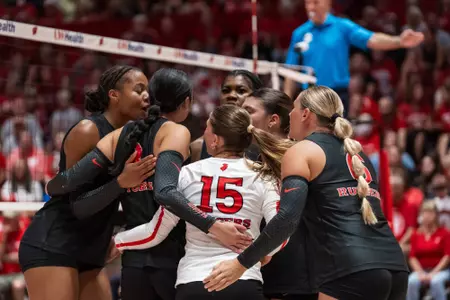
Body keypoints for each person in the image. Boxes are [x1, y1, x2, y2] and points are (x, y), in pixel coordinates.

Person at [44, 68, 254, 300]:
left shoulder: (119, 135)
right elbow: (165, 192)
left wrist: (119, 183)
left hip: (134, 266)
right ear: (186, 103)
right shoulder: (176, 132)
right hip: (170, 262)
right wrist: (214, 226)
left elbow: (58, 187)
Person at [205, 86, 409, 300]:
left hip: (350, 268)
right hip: (394, 265)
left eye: (294, 108)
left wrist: (240, 264)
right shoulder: (358, 153)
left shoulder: (302, 150)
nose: (290, 114)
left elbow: (286, 219)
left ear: (305, 114)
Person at [113, 104, 294, 300]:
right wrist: (260, 252)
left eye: (207, 127)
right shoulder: (263, 175)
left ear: (215, 140)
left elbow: (154, 232)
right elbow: (282, 232)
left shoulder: (188, 173)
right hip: (243, 281)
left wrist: (118, 241)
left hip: (195, 282)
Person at [18, 65, 157, 300]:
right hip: (54, 242)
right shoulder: (88, 130)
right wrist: (121, 182)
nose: (146, 96)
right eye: (138, 89)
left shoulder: (134, 137)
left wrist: (120, 236)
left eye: (148, 91)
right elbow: (76, 204)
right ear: (114, 95)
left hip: (91, 248)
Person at [284, 0, 424, 117]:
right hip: (310, 98)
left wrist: (399, 41)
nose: (310, 7)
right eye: (307, 3)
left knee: (337, 144)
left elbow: (372, 39)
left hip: (337, 96)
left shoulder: (342, 26)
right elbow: (290, 71)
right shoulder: (299, 33)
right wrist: (286, 106)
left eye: (315, 2)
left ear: (327, 3)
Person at [243, 88, 318, 300]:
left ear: (273, 120)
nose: (242, 115)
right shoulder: (245, 157)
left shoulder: (303, 154)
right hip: (257, 267)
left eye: (248, 110)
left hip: (294, 271)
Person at [190, 69, 263, 162]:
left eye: (241, 91)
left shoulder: (268, 148)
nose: (231, 95)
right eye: (226, 90)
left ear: (257, 97)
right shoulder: (198, 147)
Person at [406, 201, 450, 300]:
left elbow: (447, 256)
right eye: (424, 213)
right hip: (422, 270)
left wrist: (434, 272)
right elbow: (412, 257)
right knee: (411, 281)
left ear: (436, 215)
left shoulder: (444, 233)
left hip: (441, 270)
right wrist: (420, 272)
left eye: (430, 213)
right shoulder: (416, 234)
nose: (427, 216)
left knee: (435, 282)